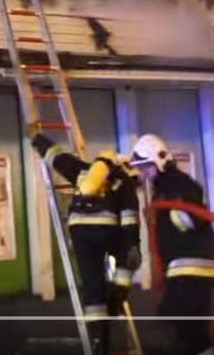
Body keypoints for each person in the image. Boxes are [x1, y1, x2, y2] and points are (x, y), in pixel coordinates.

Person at [30, 130, 141, 355]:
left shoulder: (83, 170)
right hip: (107, 230)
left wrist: (38, 140)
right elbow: (129, 220)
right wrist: (132, 247)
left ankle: (99, 345)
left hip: (79, 231)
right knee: (126, 254)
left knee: (92, 291)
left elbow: (57, 158)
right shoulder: (126, 182)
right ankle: (117, 297)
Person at [131, 133, 214, 355]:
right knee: (182, 321)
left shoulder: (178, 184)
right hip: (183, 265)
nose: (144, 174)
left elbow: (191, 218)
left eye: (146, 167)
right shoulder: (165, 187)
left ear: (158, 160)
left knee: (186, 323)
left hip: (192, 265)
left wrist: (167, 214)